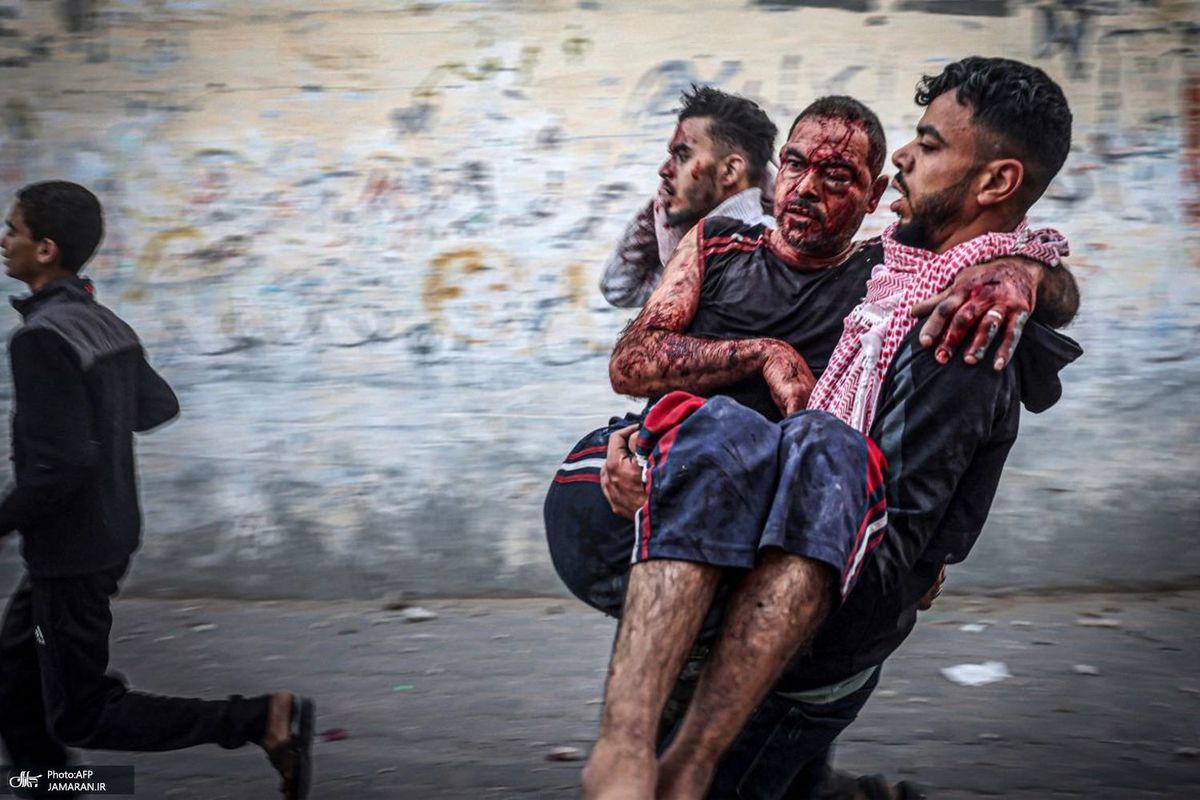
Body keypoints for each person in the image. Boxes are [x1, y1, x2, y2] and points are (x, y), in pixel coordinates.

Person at [549, 61, 1079, 799]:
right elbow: (630, 361)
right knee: (718, 434)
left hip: (789, 592)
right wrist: (742, 368)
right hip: (692, 542)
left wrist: (1024, 273)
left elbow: (1024, 261)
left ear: (873, 199)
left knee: (815, 454)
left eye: (836, 177)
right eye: (795, 165)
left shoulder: (896, 284)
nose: (806, 189)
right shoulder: (724, 247)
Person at [0, 181, 315, 800]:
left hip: (71, 551)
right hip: (105, 533)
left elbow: (61, 465)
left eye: (13, 229)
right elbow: (157, 405)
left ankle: (259, 719)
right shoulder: (98, 321)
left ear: (45, 249)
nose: (3, 240)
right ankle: (54, 789)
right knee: (13, 681)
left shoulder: (41, 337)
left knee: (81, 713)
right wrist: (101, 410)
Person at [600, 85, 777, 308]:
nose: (664, 170)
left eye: (683, 156)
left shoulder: (769, 251)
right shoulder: (690, 240)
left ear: (730, 170)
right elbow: (619, 289)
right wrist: (659, 211)